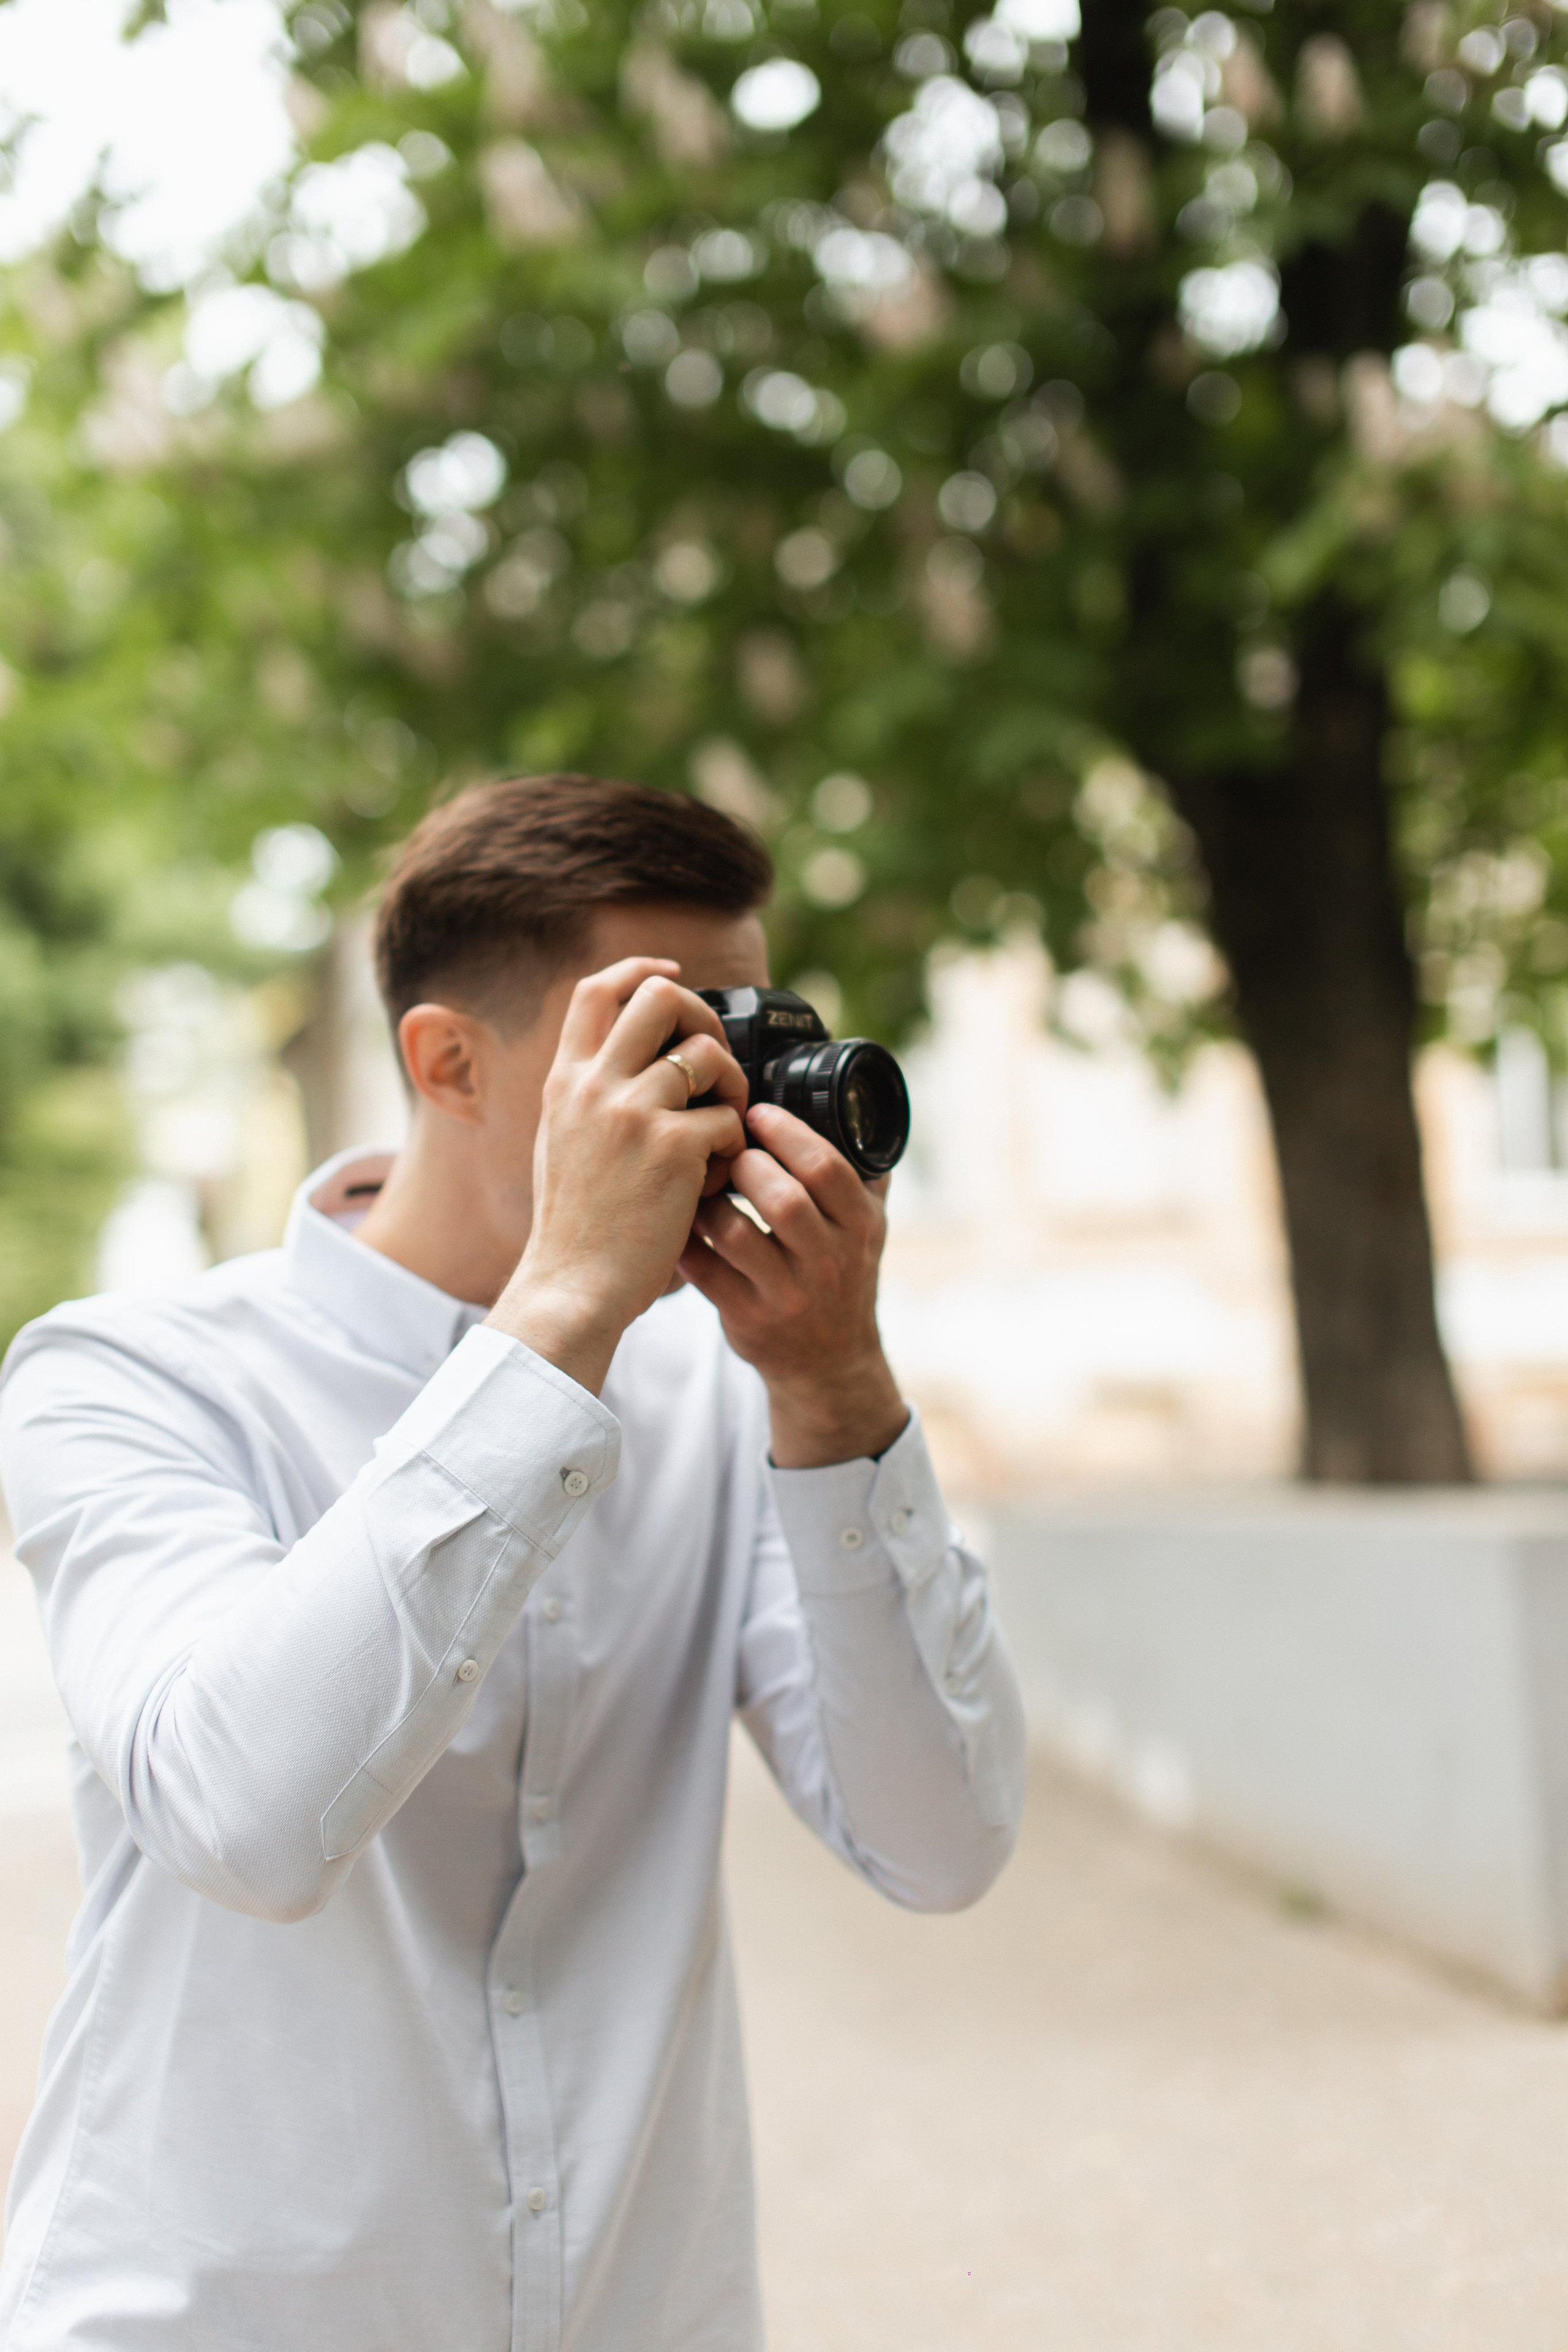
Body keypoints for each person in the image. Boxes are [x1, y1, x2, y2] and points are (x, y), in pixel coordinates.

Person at [0, 772, 1026, 2352]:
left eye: (742, 1040)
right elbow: (245, 1817)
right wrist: (560, 1320)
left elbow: (940, 1844)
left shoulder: (725, 1393)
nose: (720, 1103)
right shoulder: (128, 1378)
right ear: (449, 1061)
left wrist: (834, 1388)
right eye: (656, 1041)